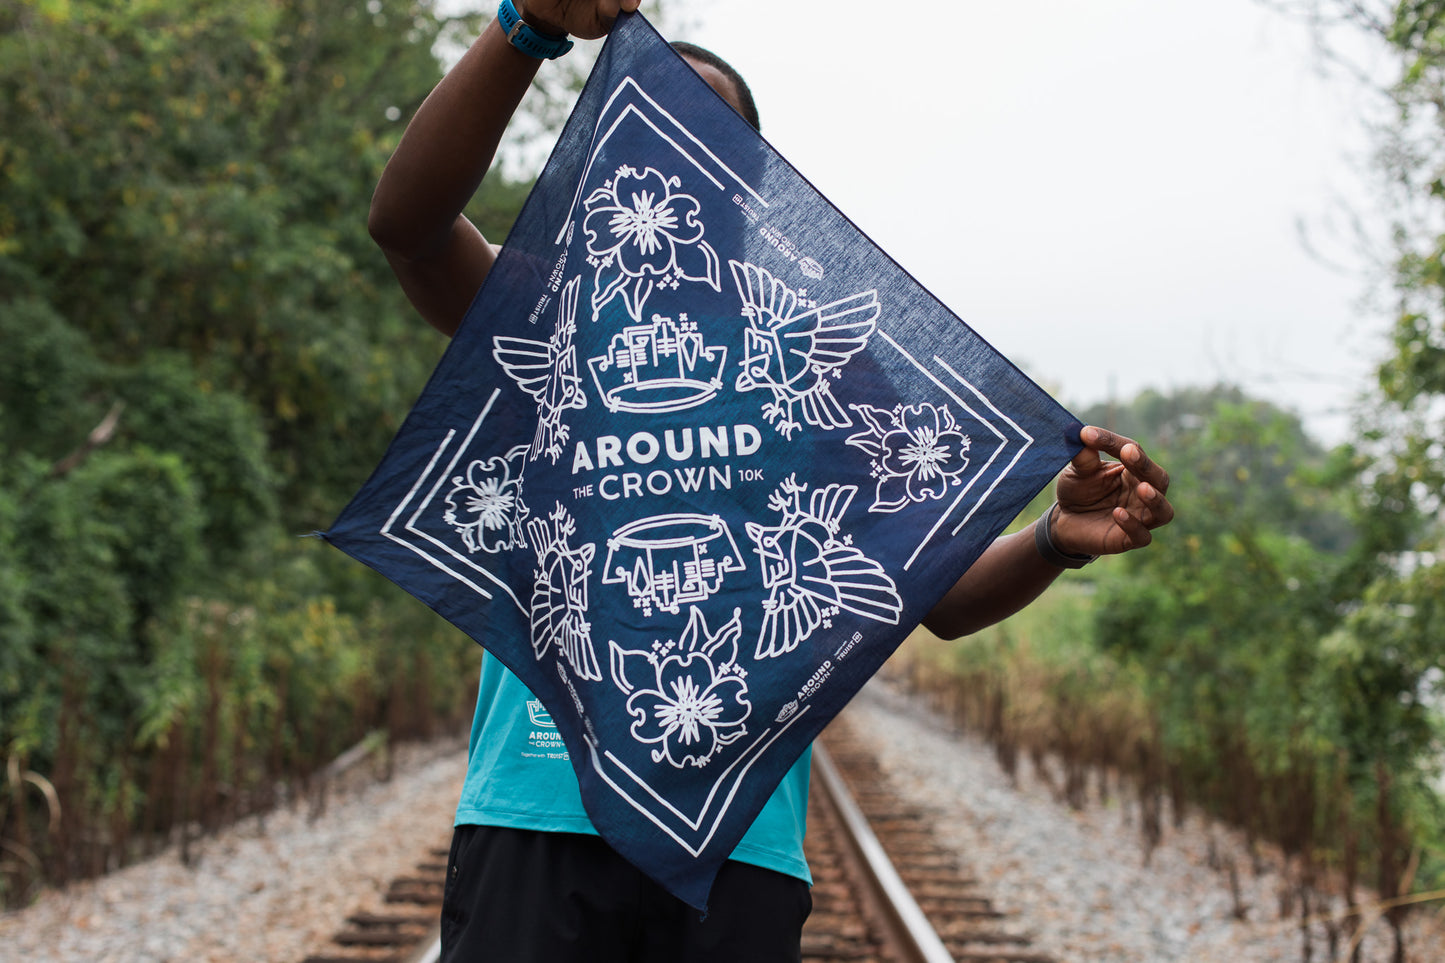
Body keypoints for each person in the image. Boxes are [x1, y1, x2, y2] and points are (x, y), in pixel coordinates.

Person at [367, 2, 1175, 960]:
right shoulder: (543, 313)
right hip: (540, 809)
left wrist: (1049, 540)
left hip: (734, 838)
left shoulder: (824, 375)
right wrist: (524, 28)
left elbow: (935, 598)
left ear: (743, 179)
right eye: (640, 126)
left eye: (699, 133)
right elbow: (408, 227)